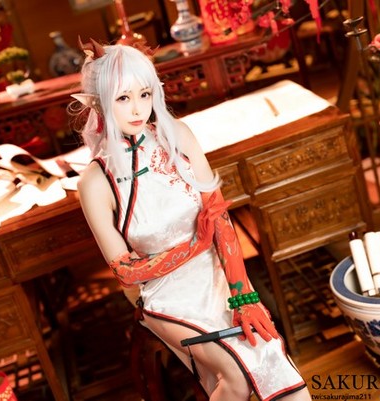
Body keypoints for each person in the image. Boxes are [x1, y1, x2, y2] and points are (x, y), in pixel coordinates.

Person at [72, 39, 311, 401]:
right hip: (164, 295)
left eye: (144, 94)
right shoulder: (94, 182)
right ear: (97, 102)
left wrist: (243, 295)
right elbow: (125, 272)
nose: (138, 109)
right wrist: (195, 245)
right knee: (238, 378)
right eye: (123, 98)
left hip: (216, 273)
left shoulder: (177, 137)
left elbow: (219, 218)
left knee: (271, 356)